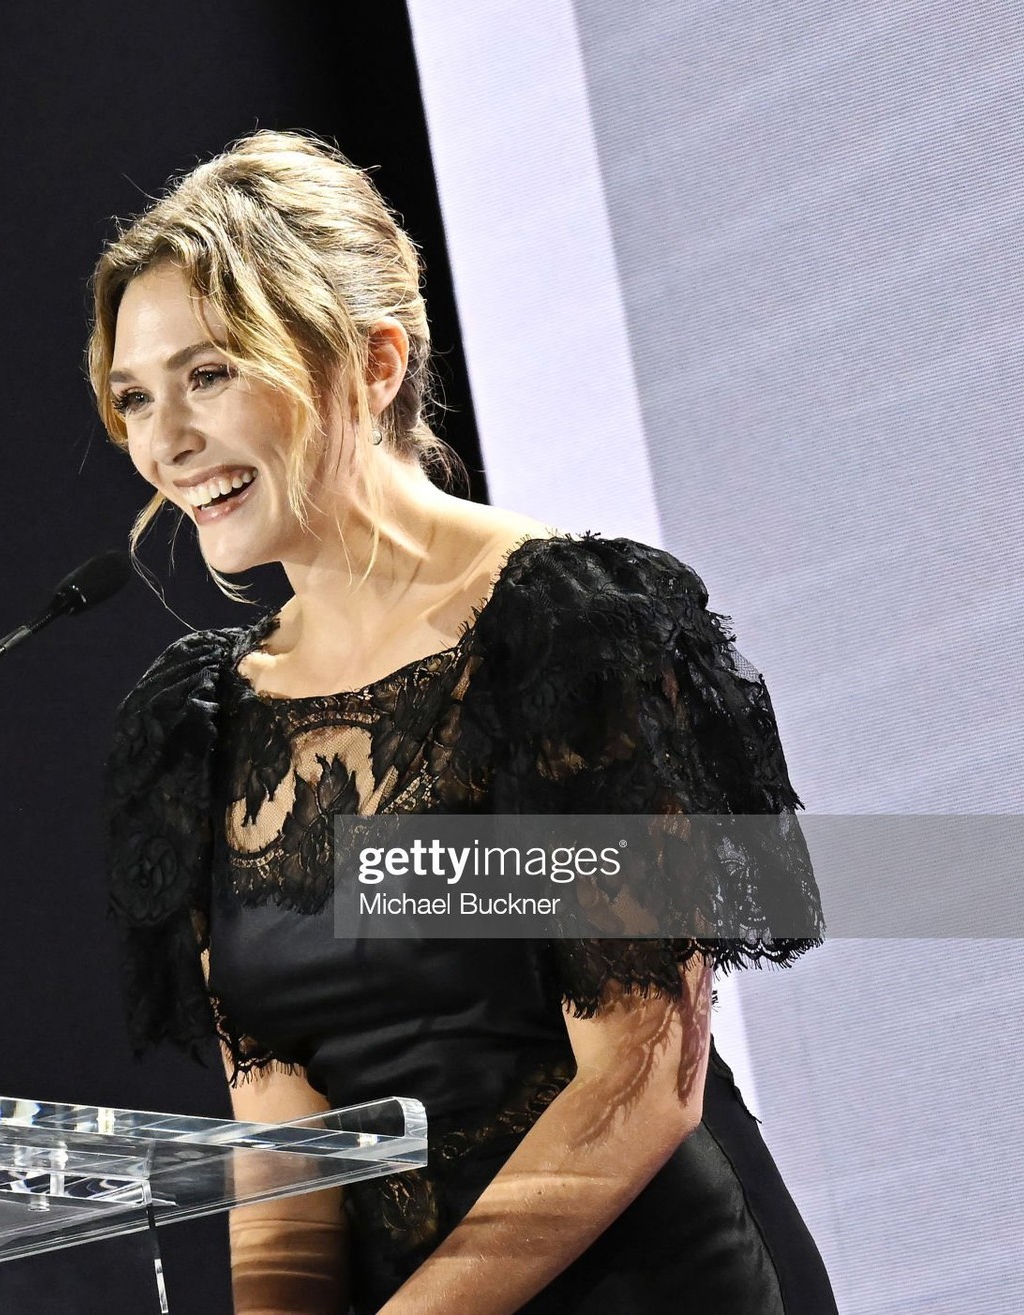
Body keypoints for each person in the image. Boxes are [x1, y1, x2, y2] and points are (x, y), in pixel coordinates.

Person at [90, 131, 838, 1315]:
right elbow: (281, 1137)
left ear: (375, 360)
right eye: (135, 396)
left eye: (211, 374)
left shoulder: (573, 627)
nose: (163, 440)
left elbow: (641, 1081)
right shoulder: (198, 726)